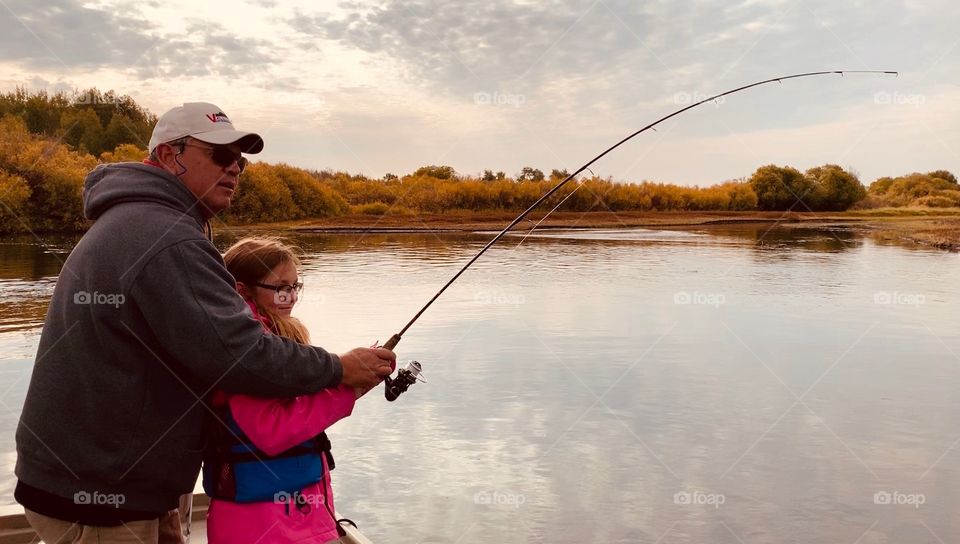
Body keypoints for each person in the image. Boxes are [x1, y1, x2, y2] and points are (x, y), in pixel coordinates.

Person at [14, 102, 395, 543]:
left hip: (115, 483)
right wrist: (340, 369)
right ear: (170, 155)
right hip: (98, 493)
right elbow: (243, 357)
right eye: (219, 155)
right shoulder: (165, 236)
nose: (233, 167)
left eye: (240, 160)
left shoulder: (147, 221)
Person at [205, 237, 368, 543]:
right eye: (280, 288)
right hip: (263, 523)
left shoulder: (277, 341)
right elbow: (271, 430)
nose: (291, 297)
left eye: (296, 287)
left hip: (297, 515)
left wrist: (352, 378)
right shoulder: (246, 353)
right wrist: (349, 389)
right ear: (241, 289)